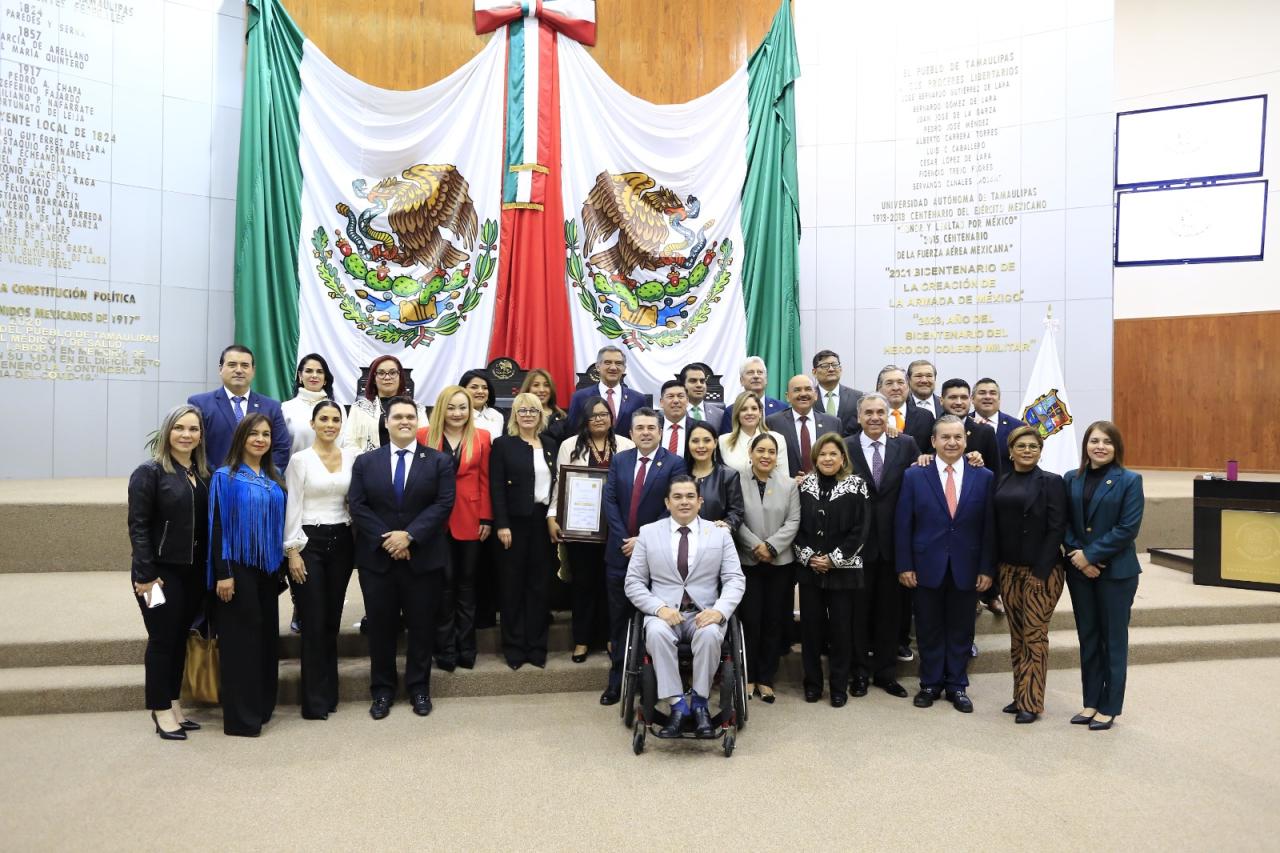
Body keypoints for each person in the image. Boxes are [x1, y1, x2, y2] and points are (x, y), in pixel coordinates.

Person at [348, 396, 456, 720]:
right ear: (387, 422)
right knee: (381, 628)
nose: (405, 421)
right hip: (378, 562)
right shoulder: (366, 462)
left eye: (410, 416)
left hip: (423, 559)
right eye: (398, 417)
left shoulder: (438, 461)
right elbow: (358, 505)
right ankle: (382, 691)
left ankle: (419, 688)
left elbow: (443, 503)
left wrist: (409, 536)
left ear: (418, 422)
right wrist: (389, 539)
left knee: (421, 628)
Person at [624, 476, 745, 739]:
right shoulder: (648, 533)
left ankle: (700, 704)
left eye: (690, 496)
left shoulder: (720, 534)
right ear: (667, 503)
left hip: (704, 612)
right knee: (656, 633)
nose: (684, 502)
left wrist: (719, 611)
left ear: (700, 502)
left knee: (711, 634)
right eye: (677, 497)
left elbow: (735, 579)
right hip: (664, 613)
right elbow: (633, 582)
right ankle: (677, 705)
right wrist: (658, 608)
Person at [895, 415, 995, 713]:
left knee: (962, 629)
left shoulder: (983, 476)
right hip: (925, 564)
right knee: (928, 628)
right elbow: (903, 524)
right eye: (945, 437)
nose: (952, 442)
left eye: (958, 437)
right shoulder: (914, 475)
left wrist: (986, 568)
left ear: (966, 440)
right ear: (933, 441)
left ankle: (957, 685)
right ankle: (930, 683)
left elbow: (989, 528)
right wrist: (905, 565)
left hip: (968, 565)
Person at [128, 404, 211, 740]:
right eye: (179, 428)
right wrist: (145, 575)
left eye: (193, 429)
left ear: (201, 436)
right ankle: (160, 709)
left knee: (179, 639)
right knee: (162, 640)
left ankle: (174, 703)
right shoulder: (149, 472)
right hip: (158, 575)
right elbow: (138, 527)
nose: (186, 435)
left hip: (192, 574)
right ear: (167, 432)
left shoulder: (202, 474)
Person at [599, 407, 687, 705]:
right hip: (619, 552)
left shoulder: (674, 463)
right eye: (640, 428)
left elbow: (672, 506)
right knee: (618, 621)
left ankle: (655, 682)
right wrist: (626, 539)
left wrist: (643, 540)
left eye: (651, 427)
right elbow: (610, 501)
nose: (646, 432)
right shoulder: (620, 460)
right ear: (631, 432)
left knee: (654, 620)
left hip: (656, 556)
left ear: (660, 431)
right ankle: (617, 681)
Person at [208, 413, 287, 737]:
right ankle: (242, 718)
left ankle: (263, 706)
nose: (260, 439)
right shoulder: (225, 477)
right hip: (237, 569)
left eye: (266, 434)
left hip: (267, 570)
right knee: (241, 643)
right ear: (241, 437)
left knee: (266, 639)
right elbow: (218, 526)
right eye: (253, 433)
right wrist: (223, 572)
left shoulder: (274, 477)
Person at [1063, 421, 1144, 732]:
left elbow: (1127, 528)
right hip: (1080, 571)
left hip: (1116, 573)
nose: (1100, 447)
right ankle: (1091, 701)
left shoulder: (1130, 480)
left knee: (1113, 641)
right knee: (1088, 637)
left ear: (1116, 447)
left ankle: (1109, 707)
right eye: (1094, 440)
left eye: (1107, 442)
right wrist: (1079, 557)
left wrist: (1091, 555)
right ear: (1085, 445)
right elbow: (1065, 522)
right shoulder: (1071, 478)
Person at [282, 400, 359, 720]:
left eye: (335, 419)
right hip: (308, 543)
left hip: (341, 541)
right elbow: (293, 506)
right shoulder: (300, 460)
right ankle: (314, 702)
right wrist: (292, 551)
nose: (330, 424)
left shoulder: (352, 457)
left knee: (331, 620)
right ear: (312, 424)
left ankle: (330, 694)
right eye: (324, 419)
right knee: (313, 621)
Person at [548, 397, 635, 663]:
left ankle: (611, 637)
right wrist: (552, 516)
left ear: (612, 418)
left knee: (612, 584)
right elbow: (560, 484)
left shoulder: (626, 444)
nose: (599, 419)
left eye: (604, 414)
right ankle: (582, 640)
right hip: (581, 526)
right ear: (584, 419)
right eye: (593, 415)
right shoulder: (569, 445)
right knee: (584, 583)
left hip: (616, 526)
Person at [993, 426, 1067, 724]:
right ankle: (1019, 695)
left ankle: (1032, 702)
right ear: (1010, 451)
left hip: (1042, 573)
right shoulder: (1001, 480)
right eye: (1021, 446)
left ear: (1040, 451)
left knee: (1034, 635)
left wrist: (1041, 571)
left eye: (1033, 446)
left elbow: (1056, 528)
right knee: (1017, 636)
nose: (1027, 451)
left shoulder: (1052, 482)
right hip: (1008, 569)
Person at [845, 393, 915, 699]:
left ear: (889, 415)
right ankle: (859, 672)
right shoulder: (845, 446)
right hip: (856, 545)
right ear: (859, 417)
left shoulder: (907, 445)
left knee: (890, 613)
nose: (874, 417)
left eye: (880, 412)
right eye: (868, 412)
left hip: (893, 544)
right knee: (858, 614)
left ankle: (886, 673)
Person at [418, 385, 492, 671]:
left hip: (471, 518)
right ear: (441, 408)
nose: (457, 413)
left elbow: (485, 479)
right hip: (435, 521)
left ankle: (467, 647)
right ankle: (445, 649)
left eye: (463, 407)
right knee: (444, 585)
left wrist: (486, 518)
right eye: (451, 407)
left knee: (467, 584)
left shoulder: (482, 437)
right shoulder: (424, 436)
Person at [794, 433, 871, 706]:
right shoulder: (804, 486)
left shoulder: (857, 485)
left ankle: (839, 686)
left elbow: (861, 529)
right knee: (810, 631)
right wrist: (809, 556)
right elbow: (795, 524)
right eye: (823, 454)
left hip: (844, 572)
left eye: (833, 454)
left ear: (843, 458)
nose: (828, 459)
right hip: (810, 571)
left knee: (841, 631)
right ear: (815, 458)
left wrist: (834, 559)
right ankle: (813, 684)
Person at [490, 393, 558, 669]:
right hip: (513, 524)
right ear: (514, 415)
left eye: (533, 410)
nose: (528, 415)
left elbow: (557, 484)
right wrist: (502, 524)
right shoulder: (503, 445)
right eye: (522, 410)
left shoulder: (551, 444)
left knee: (539, 586)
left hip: (542, 522)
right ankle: (515, 647)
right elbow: (496, 487)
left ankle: (537, 647)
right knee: (512, 586)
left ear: (541, 415)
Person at [733, 433, 800, 704]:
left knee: (774, 621)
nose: (766, 456)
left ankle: (766, 678)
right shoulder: (735, 479)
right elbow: (735, 517)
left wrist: (771, 547)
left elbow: (793, 521)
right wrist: (755, 546)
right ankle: (748, 676)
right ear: (750, 452)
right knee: (750, 620)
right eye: (760, 450)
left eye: (771, 451)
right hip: (748, 562)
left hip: (779, 563)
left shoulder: (789, 484)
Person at [189, 344, 290, 471]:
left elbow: (281, 449)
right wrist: (219, 477)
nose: (238, 370)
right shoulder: (200, 404)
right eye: (232, 365)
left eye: (245, 365)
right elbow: (195, 447)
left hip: (259, 481)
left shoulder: (271, 407)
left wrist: (260, 478)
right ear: (220, 369)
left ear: (253, 371)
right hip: (214, 480)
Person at [766, 374, 843, 480]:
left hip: (825, 485)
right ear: (787, 396)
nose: (803, 394)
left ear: (815, 395)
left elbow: (839, 459)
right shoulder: (773, 422)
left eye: (808, 389)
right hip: (788, 487)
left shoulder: (833, 423)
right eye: (797, 390)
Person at [344, 355, 427, 452]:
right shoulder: (359, 408)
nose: (387, 377)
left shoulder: (416, 408)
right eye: (381, 373)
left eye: (393, 373)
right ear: (374, 379)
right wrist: (367, 459)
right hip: (369, 460)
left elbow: (425, 440)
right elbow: (349, 443)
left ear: (400, 377)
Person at [566, 346, 645, 435]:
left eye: (618, 363)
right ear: (597, 367)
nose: (613, 367)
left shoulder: (638, 399)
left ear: (624, 368)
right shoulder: (580, 397)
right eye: (608, 362)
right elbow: (572, 431)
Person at [684, 421, 744, 532]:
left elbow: (737, 512)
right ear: (688, 444)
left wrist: (727, 524)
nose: (701, 446)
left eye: (707, 440)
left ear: (715, 443)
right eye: (695, 441)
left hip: (717, 536)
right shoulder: (680, 474)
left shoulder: (728, 475)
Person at [718, 391, 790, 480]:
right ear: (737, 414)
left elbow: (784, 478)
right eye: (744, 409)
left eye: (754, 408)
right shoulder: (723, 440)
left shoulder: (778, 439)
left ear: (760, 413)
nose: (749, 413)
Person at [281, 353, 341, 454]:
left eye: (319, 372)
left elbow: (343, 445)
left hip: (331, 464)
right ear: (300, 375)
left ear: (325, 379)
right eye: (309, 371)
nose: (314, 375)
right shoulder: (285, 408)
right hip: (294, 463)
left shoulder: (338, 409)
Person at [937, 379, 998, 476]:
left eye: (964, 397)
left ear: (970, 400)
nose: (959, 402)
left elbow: (995, 473)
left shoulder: (985, 431)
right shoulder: (930, 426)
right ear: (941, 400)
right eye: (953, 397)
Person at [874, 364, 934, 454]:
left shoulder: (926, 417)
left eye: (900, 382)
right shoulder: (870, 418)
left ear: (908, 387)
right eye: (889, 383)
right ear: (879, 388)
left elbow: (934, 449)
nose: (895, 388)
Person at [719, 356, 786, 434]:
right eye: (750, 372)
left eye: (760, 372)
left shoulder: (782, 408)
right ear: (741, 380)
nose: (756, 376)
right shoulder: (731, 411)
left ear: (766, 380)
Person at [970, 377, 1023, 477]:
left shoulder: (1017, 427)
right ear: (972, 399)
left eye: (993, 393)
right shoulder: (961, 424)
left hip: (1006, 485)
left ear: (999, 399)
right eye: (982, 393)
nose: (987, 397)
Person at [811, 350, 865, 434]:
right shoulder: (808, 398)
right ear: (814, 372)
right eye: (825, 366)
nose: (831, 369)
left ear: (840, 369)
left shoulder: (857, 397)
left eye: (835, 365)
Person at [520, 367, 568, 445]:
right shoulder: (517, 416)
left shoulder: (563, 417)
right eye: (536, 385)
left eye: (546, 385)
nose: (542, 390)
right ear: (528, 389)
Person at [461, 369, 506, 440]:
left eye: (485, 388)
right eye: (474, 387)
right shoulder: (457, 415)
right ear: (462, 390)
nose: (480, 391)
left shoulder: (497, 415)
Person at [679, 362, 724, 431]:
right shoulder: (672, 412)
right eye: (693, 381)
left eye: (702, 381)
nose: (699, 385)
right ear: (683, 385)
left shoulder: (720, 414)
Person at [657, 379, 695, 458]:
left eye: (680, 396)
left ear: (687, 401)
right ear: (661, 402)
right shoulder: (652, 427)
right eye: (670, 396)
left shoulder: (698, 427)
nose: (676, 401)